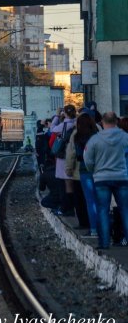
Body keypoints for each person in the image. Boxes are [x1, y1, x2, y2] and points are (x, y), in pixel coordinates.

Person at [83, 111, 128, 250]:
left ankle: (104, 243)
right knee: (125, 210)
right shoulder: (125, 137)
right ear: (116, 121)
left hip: (101, 178)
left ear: (102, 122)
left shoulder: (95, 139)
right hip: (121, 177)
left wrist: (94, 170)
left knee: (103, 209)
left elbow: (88, 160)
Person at [64, 112, 97, 236]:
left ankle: (85, 223)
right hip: (97, 171)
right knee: (95, 200)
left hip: (80, 171)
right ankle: (95, 225)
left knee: (82, 200)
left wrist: (68, 169)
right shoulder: (97, 132)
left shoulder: (76, 135)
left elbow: (71, 154)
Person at [50, 105, 77, 216]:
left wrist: (57, 115)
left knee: (65, 185)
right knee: (72, 185)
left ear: (64, 113)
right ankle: (71, 207)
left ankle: (66, 208)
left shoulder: (64, 125)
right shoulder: (77, 124)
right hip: (74, 157)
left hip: (63, 157)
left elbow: (52, 129)